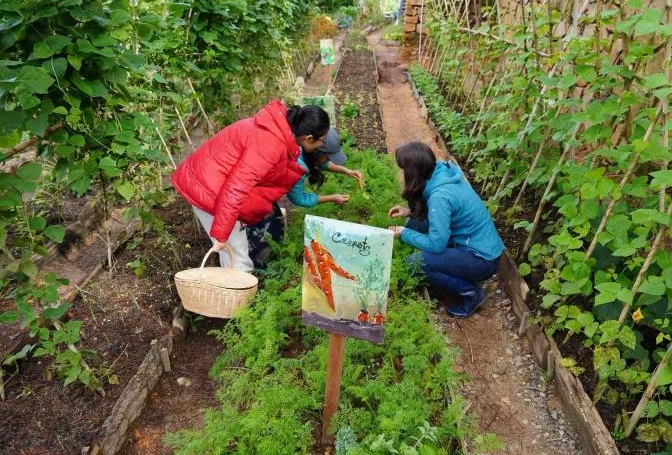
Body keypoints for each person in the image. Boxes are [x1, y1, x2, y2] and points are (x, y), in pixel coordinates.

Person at [171, 100, 330, 272]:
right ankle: (238, 296)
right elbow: (236, 187)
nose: (322, 145)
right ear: (309, 138)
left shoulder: (276, 129)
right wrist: (221, 233)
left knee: (232, 252)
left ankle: (233, 290)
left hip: (210, 182)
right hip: (209, 191)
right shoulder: (270, 145)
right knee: (238, 260)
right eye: (323, 140)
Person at [388, 142, 504, 318]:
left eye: (404, 169)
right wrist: (409, 212)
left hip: (481, 260)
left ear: (414, 172)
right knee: (416, 223)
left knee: (415, 263)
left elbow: (436, 245)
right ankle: (449, 274)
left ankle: (471, 294)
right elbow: (441, 215)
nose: (403, 174)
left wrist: (404, 233)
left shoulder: (440, 196)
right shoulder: (440, 171)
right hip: (479, 246)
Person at [246, 128, 364, 267]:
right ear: (317, 151)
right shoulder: (299, 167)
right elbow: (299, 199)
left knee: (275, 225)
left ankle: (274, 256)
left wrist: (347, 171)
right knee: (258, 237)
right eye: (329, 156)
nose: (329, 160)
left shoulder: (302, 146)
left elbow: (323, 162)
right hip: (249, 194)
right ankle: (257, 271)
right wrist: (333, 198)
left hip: (260, 187)